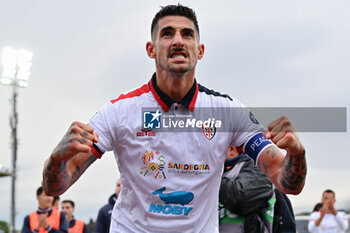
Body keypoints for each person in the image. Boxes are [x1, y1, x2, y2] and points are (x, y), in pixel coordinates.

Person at [41, 4, 307, 232]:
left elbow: (284, 180)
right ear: (151, 49)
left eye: (187, 34)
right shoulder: (119, 111)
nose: (178, 40)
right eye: (167, 34)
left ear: (199, 50)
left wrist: (297, 155)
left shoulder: (227, 111)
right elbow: (58, 185)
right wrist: (56, 159)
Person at [219, 146, 275, 233]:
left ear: (232, 150)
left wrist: (209, 175)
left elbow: (240, 198)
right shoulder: (223, 172)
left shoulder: (256, 168)